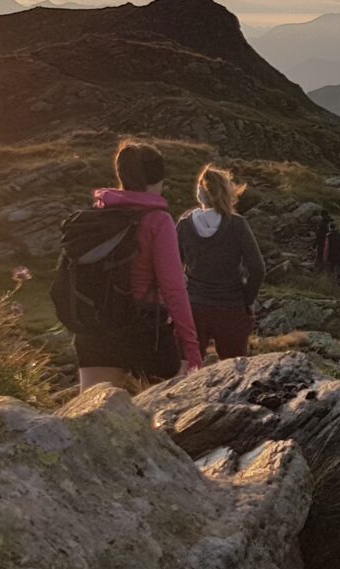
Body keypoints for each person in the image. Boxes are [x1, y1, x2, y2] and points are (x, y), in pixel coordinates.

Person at [72, 140, 201, 390]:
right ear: (158, 178)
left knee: (95, 417)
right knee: (171, 414)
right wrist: (192, 349)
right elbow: (174, 289)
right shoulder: (158, 221)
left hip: (94, 332)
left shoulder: (98, 217)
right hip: (144, 333)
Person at [177, 164, 265, 361]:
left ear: (200, 192)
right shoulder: (237, 224)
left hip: (194, 307)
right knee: (235, 370)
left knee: (188, 369)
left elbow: (173, 269)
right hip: (231, 308)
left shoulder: (184, 224)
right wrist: (247, 300)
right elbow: (258, 269)